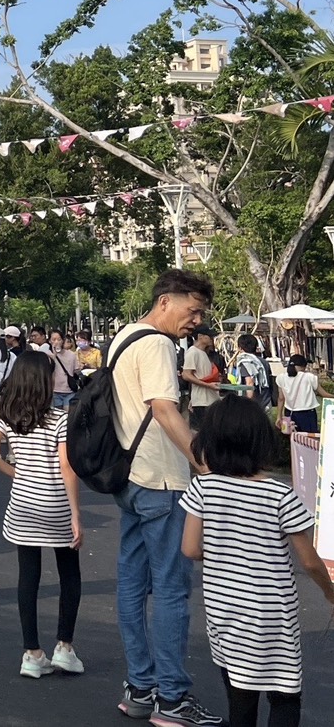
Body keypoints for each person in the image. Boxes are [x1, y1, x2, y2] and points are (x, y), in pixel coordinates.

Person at [109, 269, 222, 727]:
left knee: (132, 586)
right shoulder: (156, 344)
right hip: (161, 478)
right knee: (172, 590)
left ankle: (140, 688)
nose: (196, 320)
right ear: (165, 302)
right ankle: (172, 699)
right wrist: (204, 465)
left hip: (128, 477)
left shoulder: (124, 336)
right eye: (192, 310)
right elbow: (163, 410)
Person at [182, 396, 334, 727]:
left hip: (223, 610)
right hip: (270, 613)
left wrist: (226, 554)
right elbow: (309, 561)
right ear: (260, 440)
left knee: (240, 692)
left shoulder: (203, 487)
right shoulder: (280, 495)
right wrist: (329, 592)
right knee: (284, 694)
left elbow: (190, 548)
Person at [0, 352, 84, 679]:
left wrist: (17, 473)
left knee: (28, 576)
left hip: (23, 503)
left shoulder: (7, 416)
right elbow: (67, 467)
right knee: (69, 574)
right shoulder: (60, 419)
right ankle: (64, 646)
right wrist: (76, 515)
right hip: (56, 503)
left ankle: (32, 653)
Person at [182, 328, 222, 430]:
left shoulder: (203, 353)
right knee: (203, 431)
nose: (211, 339)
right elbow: (186, 375)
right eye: (209, 336)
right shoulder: (192, 352)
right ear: (200, 336)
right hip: (202, 402)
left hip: (209, 400)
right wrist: (207, 385)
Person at [230, 334, 273, 412]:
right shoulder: (263, 362)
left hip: (253, 405)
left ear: (240, 348)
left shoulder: (246, 362)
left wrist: (248, 405)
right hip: (265, 401)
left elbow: (250, 383)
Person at [279, 355, 319, 434]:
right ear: (303, 366)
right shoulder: (309, 377)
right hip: (307, 413)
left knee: (292, 436)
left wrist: (279, 416)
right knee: (309, 438)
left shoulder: (281, 377)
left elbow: (281, 399)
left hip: (289, 413)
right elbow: (322, 392)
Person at [46, 330, 82, 410]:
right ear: (49, 341)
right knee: (58, 413)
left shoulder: (71, 355)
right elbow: (47, 372)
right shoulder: (47, 355)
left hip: (69, 390)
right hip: (54, 391)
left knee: (67, 413)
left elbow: (76, 370)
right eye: (53, 339)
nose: (56, 342)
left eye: (59, 339)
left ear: (63, 340)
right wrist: (53, 357)